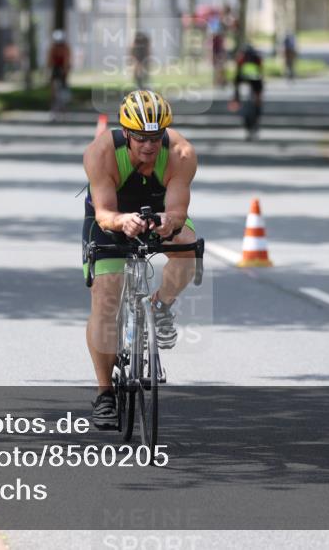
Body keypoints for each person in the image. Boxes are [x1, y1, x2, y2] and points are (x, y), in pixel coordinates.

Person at [82, 90, 198, 429]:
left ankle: (160, 305)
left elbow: (177, 211)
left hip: (158, 211)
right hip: (112, 217)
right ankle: (105, 394)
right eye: (141, 138)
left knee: (189, 247)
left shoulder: (181, 154)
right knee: (105, 298)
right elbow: (103, 213)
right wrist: (122, 221)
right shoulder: (101, 153)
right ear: (126, 133)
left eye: (156, 137)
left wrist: (168, 222)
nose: (149, 145)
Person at [233, 43, 264, 140]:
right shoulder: (256, 58)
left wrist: (236, 94)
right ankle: (256, 119)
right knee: (257, 103)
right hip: (254, 82)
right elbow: (261, 72)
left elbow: (237, 76)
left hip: (246, 82)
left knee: (248, 104)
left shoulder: (242, 58)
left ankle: (252, 120)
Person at [47, 29, 71, 118]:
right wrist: (49, 70)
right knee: (53, 89)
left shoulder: (66, 48)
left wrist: (65, 72)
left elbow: (67, 60)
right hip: (55, 69)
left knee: (63, 88)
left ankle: (63, 108)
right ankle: (53, 109)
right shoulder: (52, 48)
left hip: (63, 69)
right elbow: (49, 61)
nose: (58, 46)